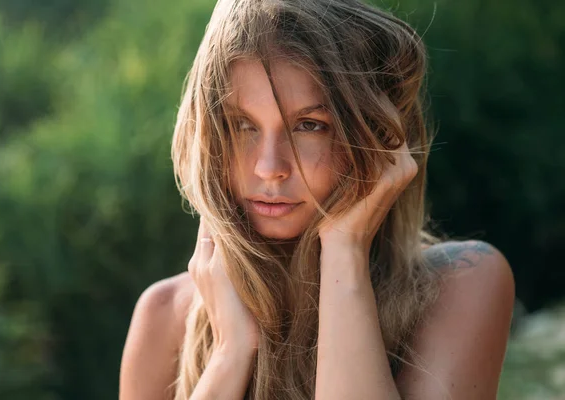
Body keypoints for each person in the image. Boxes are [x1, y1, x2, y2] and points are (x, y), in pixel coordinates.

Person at [119, 0, 515, 398]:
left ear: (377, 138)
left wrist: (344, 251)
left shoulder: (461, 284)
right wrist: (230, 352)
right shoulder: (164, 315)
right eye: (241, 125)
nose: (269, 167)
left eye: (309, 125)